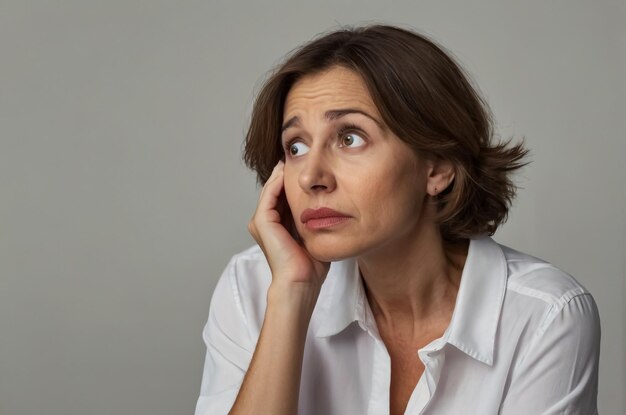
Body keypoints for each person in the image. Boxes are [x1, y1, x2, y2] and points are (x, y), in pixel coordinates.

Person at [195, 25, 600, 415]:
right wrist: (292, 295)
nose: (311, 177)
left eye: (350, 137)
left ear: (437, 167)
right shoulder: (252, 286)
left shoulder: (544, 316)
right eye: (296, 146)